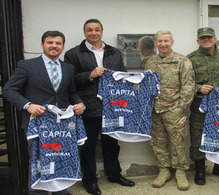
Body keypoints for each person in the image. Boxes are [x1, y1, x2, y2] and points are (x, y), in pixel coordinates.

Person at [2, 31, 85, 195]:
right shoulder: (27, 65)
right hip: (37, 125)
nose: (54, 46)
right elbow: (9, 90)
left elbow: (71, 93)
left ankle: (61, 191)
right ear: (42, 45)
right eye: (50, 42)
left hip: (62, 127)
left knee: (62, 159)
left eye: (58, 43)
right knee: (37, 163)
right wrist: (28, 105)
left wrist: (79, 103)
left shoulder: (68, 68)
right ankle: (37, 192)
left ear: (62, 46)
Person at [64, 19, 135, 195]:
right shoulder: (73, 54)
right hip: (88, 106)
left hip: (112, 106)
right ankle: (89, 180)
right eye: (89, 30)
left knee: (112, 144)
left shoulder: (114, 52)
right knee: (88, 146)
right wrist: (90, 74)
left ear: (102, 32)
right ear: (84, 32)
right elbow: (69, 80)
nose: (93, 33)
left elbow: (122, 74)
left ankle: (114, 174)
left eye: (97, 30)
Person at [187, 27, 219, 186]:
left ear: (215, 39)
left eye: (209, 37)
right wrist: (198, 88)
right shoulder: (190, 59)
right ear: (198, 41)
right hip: (200, 108)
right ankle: (200, 170)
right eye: (203, 38)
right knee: (198, 139)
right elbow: (184, 83)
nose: (206, 40)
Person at [145, 31, 195, 191]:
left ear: (172, 42)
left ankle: (180, 172)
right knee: (158, 142)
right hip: (155, 109)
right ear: (155, 43)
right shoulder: (150, 61)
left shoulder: (182, 60)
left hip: (174, 109)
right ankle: (164, 170)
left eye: (166, 41)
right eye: (160, 41)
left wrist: (181, 106)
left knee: (178, 142)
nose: (163, 44)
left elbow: (188, 85)